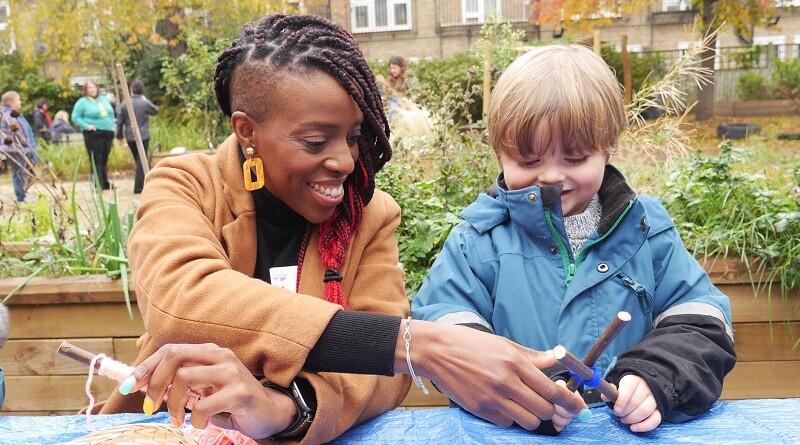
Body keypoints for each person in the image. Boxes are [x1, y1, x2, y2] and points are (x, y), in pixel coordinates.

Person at [95, 15, 585, 444]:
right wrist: (416, 345)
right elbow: (182, 301)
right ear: (246, 131)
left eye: (352, 136)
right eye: (315, 141)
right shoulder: (186, 185)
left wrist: (285, 410)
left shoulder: (368, 214)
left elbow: (384, 380)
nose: (346, 161)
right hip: (163, 429)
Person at [412, 44, 736, 435]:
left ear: (607, 150)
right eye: (528, 160)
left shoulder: (649, 232)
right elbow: (446, 338)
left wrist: (656, 377)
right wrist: (524, 393)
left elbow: (702, 324)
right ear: (500, 154)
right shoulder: (476, 243)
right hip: (510, 434)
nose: (550, 176)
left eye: (575, 158)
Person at [116, 80, 159, 194]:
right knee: (141, 160)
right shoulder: (144, 103)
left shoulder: (125, 103)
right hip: (143, 135)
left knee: (138, 159)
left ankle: (143, 184)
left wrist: (119, 136)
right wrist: (145, 100)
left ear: (131, 90)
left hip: (130, 136)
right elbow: (155, 111)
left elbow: (119, 122)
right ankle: (139, 187)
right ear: (142, 91)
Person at [71, 80, 116, 190]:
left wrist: (112, 123)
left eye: (94, 87)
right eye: (89, 88)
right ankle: (98, 184)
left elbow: (111, 113)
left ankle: (105, 182)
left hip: (107, 132)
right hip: (94, 134)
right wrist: (86, 126)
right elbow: (75, 117)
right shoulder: (82, 102)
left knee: (104, 159)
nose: (92, 89)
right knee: (96, 159)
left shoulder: (103, 99)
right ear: (85, 90)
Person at [1, 91, 39, 202]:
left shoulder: (11, 114)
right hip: (17, 149)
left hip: (20, 149)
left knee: (22, 173)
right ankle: (21, 197)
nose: (20, 102)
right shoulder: (10, 116)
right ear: (11, 102)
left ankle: (23, 194)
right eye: (18, 100)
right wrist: (27, 145)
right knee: (19, 173)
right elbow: (19, 133)